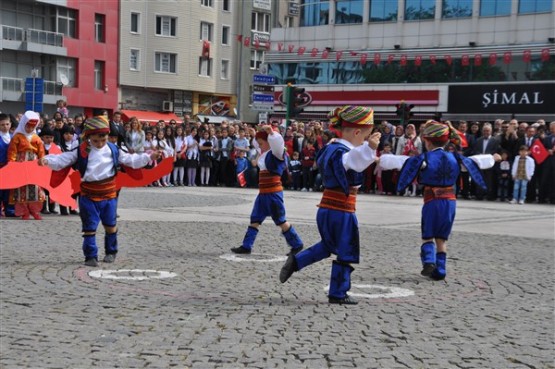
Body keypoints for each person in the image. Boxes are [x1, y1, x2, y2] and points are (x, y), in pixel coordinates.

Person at [280, 106, 381, 305]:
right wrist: (369, 148)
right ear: (357, 132)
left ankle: (297, 261)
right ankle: (338, 292)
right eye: (366, 136)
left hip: (326, 208)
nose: (366, 141)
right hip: (342, 210)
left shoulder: (331, 148)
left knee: (328, 246)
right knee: (346, 250)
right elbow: (355, 161)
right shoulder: (345, 153)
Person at [38, 116, 161, 267]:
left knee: (110, 225)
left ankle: (111, 251)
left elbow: (131, 160)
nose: (99, 143)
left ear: (107, 137)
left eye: (103, 140)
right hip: (88, 194)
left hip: (109, 194)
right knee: (89, 227)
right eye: (96, 141)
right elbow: (64, 159)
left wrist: (149, 156)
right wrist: (48, 160)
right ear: (88, 137)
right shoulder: (82, 151)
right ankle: (90, 256)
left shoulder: (113, 149)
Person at [392, 121, 498, 281]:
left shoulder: (425, 158)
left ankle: (428, 261)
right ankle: (440, 270)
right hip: (450, 201)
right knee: (442, 237)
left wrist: (379, 159)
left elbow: (402, 162)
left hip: (432, 200)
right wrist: (492, 157)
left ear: (426, 141)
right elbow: (476, 161)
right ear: (446, 141)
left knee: (428, 234)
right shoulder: (456, 158)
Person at [230, 125, 303, 255]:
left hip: (273, 192)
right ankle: (246, 246)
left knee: (280, 220)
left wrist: (271, 133)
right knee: (255, 219)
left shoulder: (277, 153)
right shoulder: (265, 153)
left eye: (262, 143)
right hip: (263, 192)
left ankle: (297, 244)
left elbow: (277, 143)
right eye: (258, 143)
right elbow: (258, 144)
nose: (259, 146)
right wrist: (255, 133)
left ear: (269, 142)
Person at [7, 111, 46, 220]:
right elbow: (12, 151)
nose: (29, 129)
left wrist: (42, 160)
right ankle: (24, 211)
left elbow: (41, 151)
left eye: (32, 127)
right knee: (21, 188)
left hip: (34, 164)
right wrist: (12, 164)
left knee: (35, 187)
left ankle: (35, 211)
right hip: (21, 163)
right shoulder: (17, 137)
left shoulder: (36, 138)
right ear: (23, 124)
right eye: (27, 126)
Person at [0, 113, 15, 217]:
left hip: (10, 168)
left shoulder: (14, 137)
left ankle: (9, 210)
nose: (5, 126)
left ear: (10, 124)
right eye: (2, 125)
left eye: (7, 124)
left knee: (9, 190)